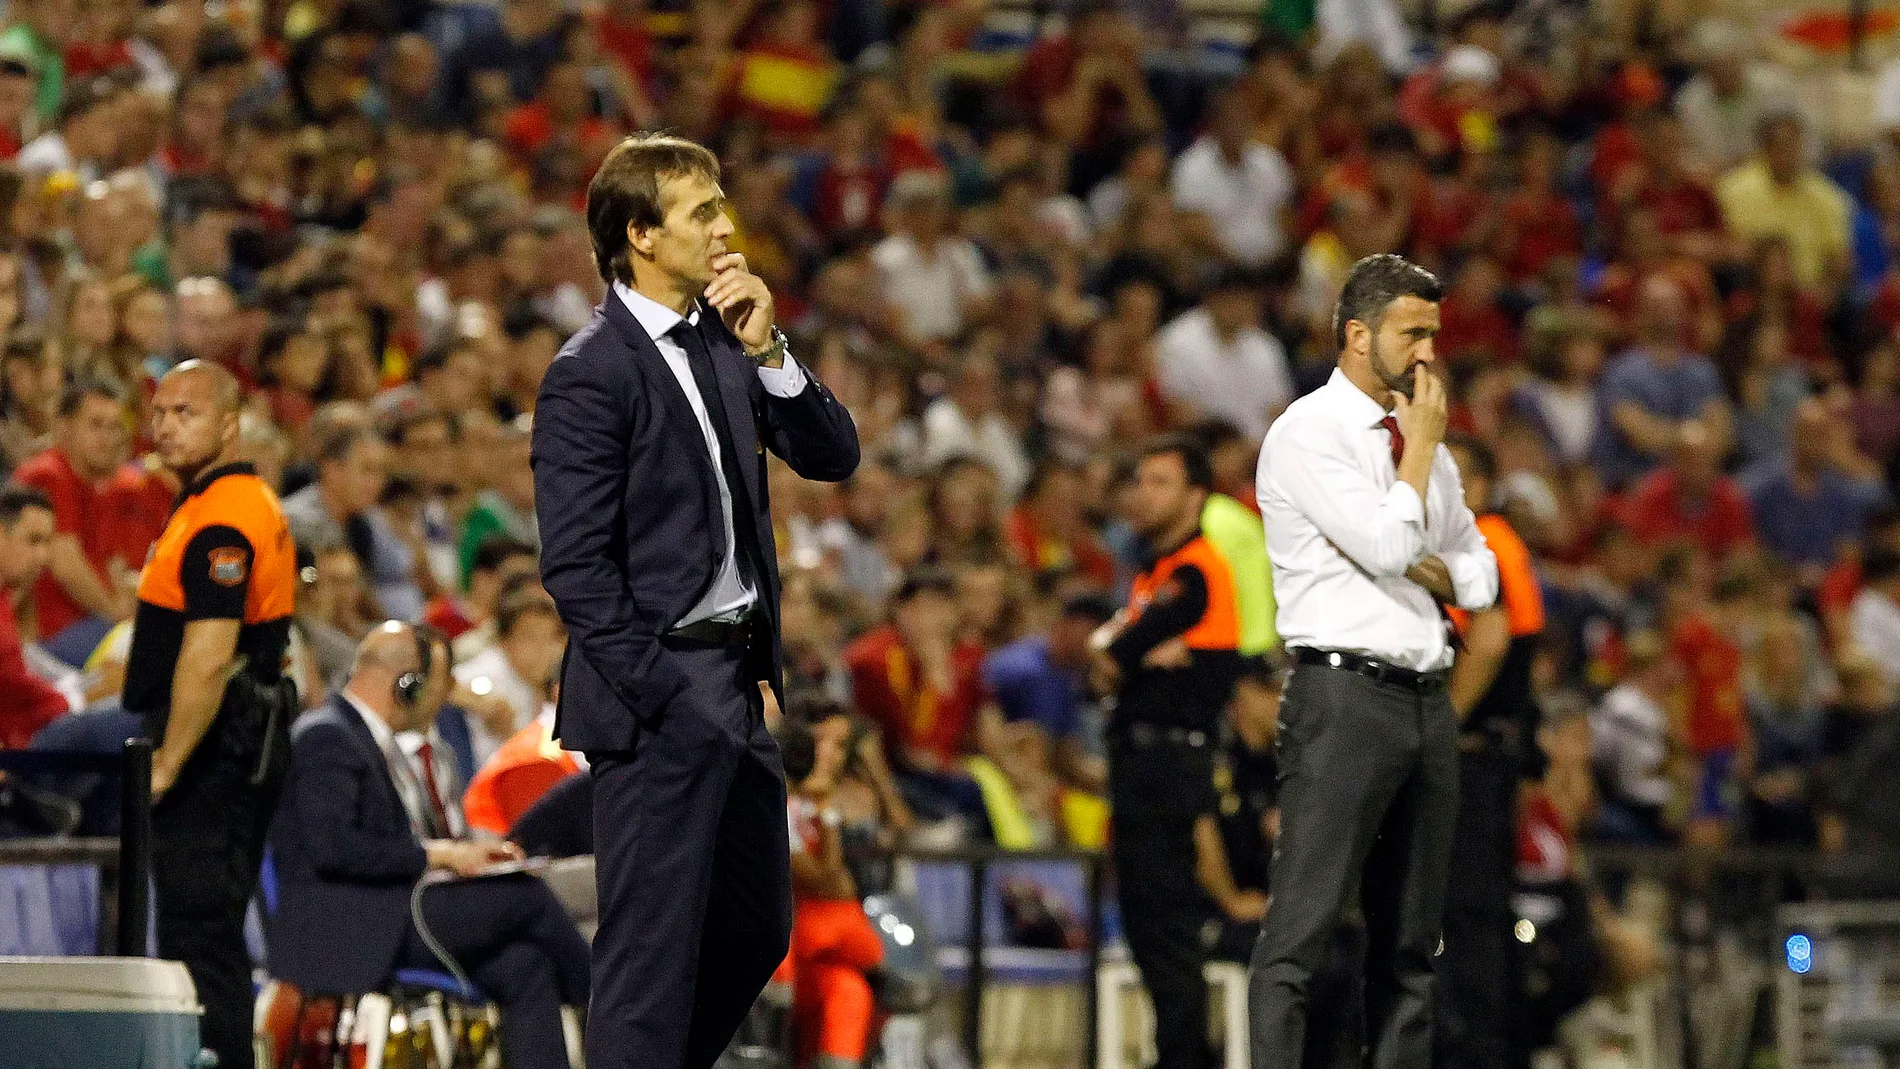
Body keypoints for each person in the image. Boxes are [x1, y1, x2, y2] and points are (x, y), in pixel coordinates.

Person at [532, 134, 859, 1069]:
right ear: (640, 233)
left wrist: (772, 348)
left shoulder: (724, 339)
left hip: (736, 680)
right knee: (648, 955)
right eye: (702, 212)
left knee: (756, 931)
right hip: (658, 692)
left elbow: (834, 455)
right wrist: (661, 695)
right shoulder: (590, 370)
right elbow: (577, 566)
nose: (727, 227)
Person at [1250, 253, 1498, 1069]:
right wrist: (1419, 455)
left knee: (1410, 949)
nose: (1429, 352)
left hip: (1429, 699)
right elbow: (1397, 545)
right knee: (1301, 935)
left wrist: (1422, 551)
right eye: (1413, 332)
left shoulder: (1428, 448)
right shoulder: (1306, 434)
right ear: (1358, 335)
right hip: (1342, 696)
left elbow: (1480, 572)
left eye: (1434, 333)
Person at [267, 622, 590, 1069]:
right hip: (355, 925)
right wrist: (438, 855)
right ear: (408, 683)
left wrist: (461, 858)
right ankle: (617, 1020)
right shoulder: (329, 735)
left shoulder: (357, 735)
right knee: (528, 899)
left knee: (524, 964)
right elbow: (333, 847)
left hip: (387, 910)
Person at [124, 360, 300, 1069]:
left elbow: (207, 654)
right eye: (161, 412)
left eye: (186, 413)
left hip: (216, 748)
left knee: (203, 933)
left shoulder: (224, 514)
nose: (166, 426)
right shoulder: (220, 501)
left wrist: (167, 759)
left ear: (230, 423)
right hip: (232, 740)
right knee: (207, 928)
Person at [1090, 434, 1245, 1069]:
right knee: (1148, 931)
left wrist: (1127, 653)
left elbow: (1115, 653)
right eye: (1140, 480)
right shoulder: (1155, 572)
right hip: (1143, 762)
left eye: (1160, 482)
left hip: (1168, 765)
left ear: (1195, 495)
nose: (1142, 494)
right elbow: (1112, 656)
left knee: (1168, 931)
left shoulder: (1196, 570)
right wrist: (1130, 653)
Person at [1438, 434, 1547, 1069]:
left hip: (1474, 755)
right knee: (1479, 913)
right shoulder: (1499, 540)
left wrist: (1447, 721)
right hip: (1495, 752)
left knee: (1467, 913)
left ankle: (1475, 1054)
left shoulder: (1482, 539)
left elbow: (1496, 635)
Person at [0, 485, 70, 748]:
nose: (43, 557)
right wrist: (89, 693)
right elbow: (27, 697)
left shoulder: (6, 597)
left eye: (47, 543)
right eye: (33, 540)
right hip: (26, 745)